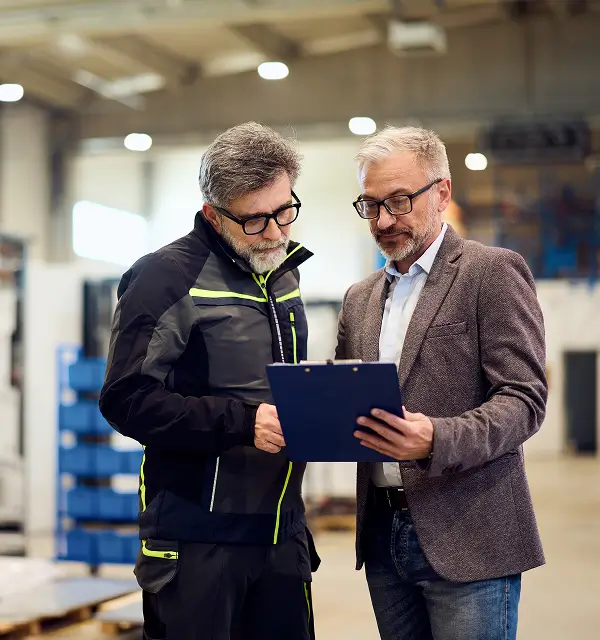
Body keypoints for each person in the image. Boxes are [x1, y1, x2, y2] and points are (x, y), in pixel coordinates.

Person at [100, 122, 318, 640]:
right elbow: (126, 399)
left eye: (285, 210)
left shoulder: (282, 271)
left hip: (281, 535)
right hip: (197, 541)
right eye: (255, 220)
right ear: (212, 215)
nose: (276, 232)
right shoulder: (164, 278)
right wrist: (243, 423)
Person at [335, 126, 547, 640]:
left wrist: (437, 438)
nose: (383, 220)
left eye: (400, 201)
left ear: (442, 193)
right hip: (384, 535)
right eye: (371, 204)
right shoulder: (359, 297)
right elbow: (345, 395)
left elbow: (523, 400)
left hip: (470, 533)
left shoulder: (490, 272)